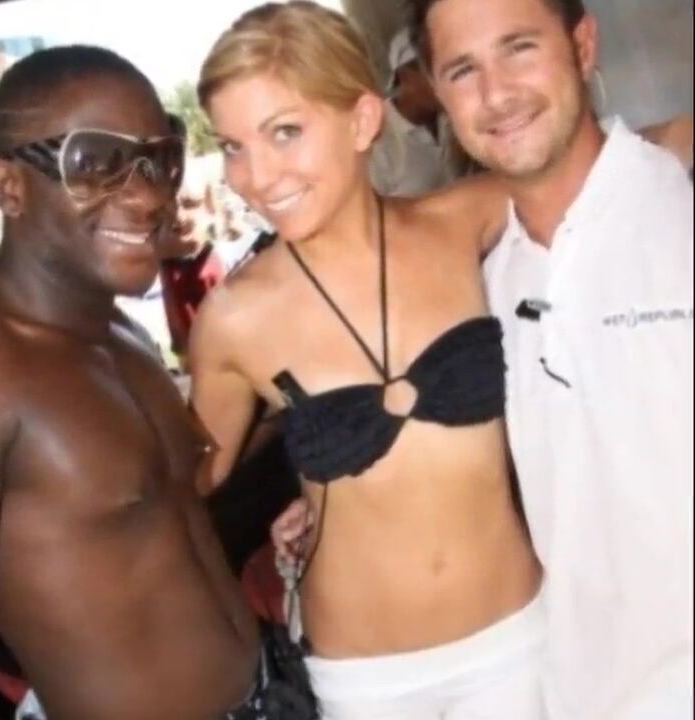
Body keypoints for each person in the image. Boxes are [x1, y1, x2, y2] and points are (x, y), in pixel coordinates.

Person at [190, 3, 546, 719]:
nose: (256, 177)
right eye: (232, 146)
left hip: (515, 642)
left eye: (284, 132)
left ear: (361, 121)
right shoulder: (234, 318)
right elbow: (187, 481)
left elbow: (609, 170)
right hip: (367, 679)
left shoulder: (464, 221)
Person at [0, 45, 265, 720]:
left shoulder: (117, 332)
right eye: (94, 163)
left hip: (268, 693)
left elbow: (159, 505)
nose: (148, 195)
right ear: (9, 185)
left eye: (161, 159)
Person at [408, 0, 693, 718]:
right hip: (578, 692)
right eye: (463, 70)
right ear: (439, 94)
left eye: (520, 48)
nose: (497, 94)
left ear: (583, 46)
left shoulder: (679, 204)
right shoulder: (469, 285)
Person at [369, 27, 460, 196]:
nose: (446, 82)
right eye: (432, 72)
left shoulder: (454, 119)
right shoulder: (378, 143)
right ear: (405, 75)